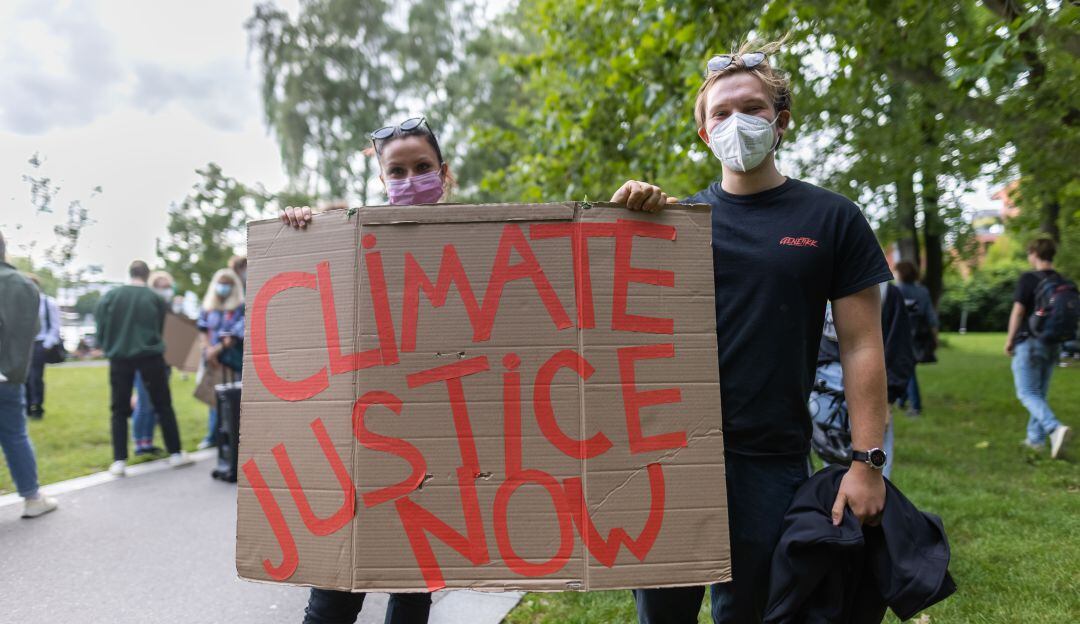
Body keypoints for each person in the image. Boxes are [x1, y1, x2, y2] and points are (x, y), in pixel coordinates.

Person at [609, 40, 893, 624]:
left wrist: (867, 463)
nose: (737, 121)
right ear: (704, 134)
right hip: (670, 459)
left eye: (753, 108)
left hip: (772, 460)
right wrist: (621, 226)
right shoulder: (670, 226)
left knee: (757, 615)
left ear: (781, 122)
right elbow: (605, 325)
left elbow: (863, 345)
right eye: (721, 112)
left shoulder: (832, 218)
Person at [280, 115, 454, 624]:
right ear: (381, 180)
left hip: (438, 446)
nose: (410, 180)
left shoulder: (480, 242)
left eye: (422, 167)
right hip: (360, 444)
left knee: (413, 592)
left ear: (443, 173)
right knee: (334, 595)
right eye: (397, 172)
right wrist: (301, 232)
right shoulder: (350, 238)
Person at [95, 260, 192, 475]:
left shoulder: (111, 296)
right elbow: (164, 328)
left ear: (130, 273)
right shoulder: (154, 298)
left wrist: (110, 346)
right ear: (147, 275)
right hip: (151, 356)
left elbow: (100, 327)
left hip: (120, 357)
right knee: (163, 404)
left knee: (119, 409)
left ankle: (119, 460)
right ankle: (175, 452)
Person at [0, 231, 59, 517]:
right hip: (10, 373)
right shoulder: (24, 285)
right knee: (15, 435)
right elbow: (32, 330)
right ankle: (32, 497)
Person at [1005, 238, 1073, 459]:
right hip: (1053, 344)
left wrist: (1010, 339)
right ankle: (1035, 440)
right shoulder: (1063, 281)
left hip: (1030, 342)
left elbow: (1018, 312)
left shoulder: (1028, 279)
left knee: (1026, 392)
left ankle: (1054, 428)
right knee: (1039, 393)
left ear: (1034, 253)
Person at [196, 267, 246, 450]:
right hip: (212, 360)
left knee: (231, 399)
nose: (223, 287)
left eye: (227, 284)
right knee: (214, 399)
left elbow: (234, 334)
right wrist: (207, 350)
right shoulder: (209, 307)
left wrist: (215, 350)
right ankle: (214, 436)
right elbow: (202, 329)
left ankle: (232, 436)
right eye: (220, 283)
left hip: (230, 360)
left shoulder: (240, 307)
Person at [131, 270, 177, 455]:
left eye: (167, 286)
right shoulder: (146, 309)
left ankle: (148, 442)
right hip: (146, 361)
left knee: (155, 404)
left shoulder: (170, 309)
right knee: (144, 403)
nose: (164, 290)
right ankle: (139, 443)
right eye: (160, 286)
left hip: (164, 363)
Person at [893, 260, 939, 417]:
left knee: (907, 370)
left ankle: (915, 406)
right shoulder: (922, 291)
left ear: (901, 273)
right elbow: (931, 316)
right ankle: (901, 400)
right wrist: (935, 337)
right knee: (908, 367)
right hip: (920, 334)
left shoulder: (897, 290)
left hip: (902, 333)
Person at [23, 274, 62, 420]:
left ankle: (37, 406)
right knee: (25, 377)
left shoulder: (48, 303)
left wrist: (46, 345)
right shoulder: (23, 303)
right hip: (25, 343)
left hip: (40, 342)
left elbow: (55, 326)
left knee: (36, 377)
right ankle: (27, 405)